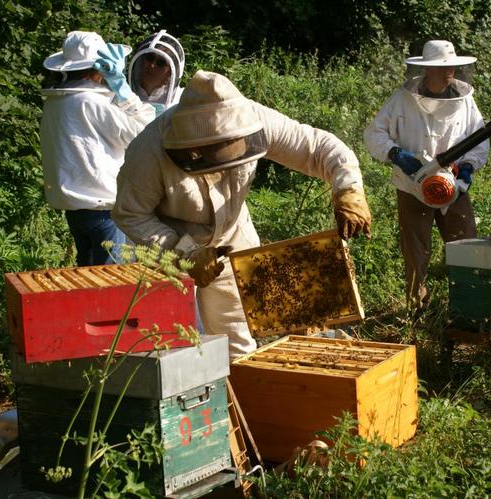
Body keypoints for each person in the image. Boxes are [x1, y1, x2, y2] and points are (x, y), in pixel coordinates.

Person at [112, 70, 372, 359]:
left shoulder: (252, 118)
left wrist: (348, 189)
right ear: (193, 148)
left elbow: (319, 147)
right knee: (167, 350)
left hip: (231, 239)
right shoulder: (148, 150)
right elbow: (131, 214)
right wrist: (183, 251)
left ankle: (237, 387)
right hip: (167, 248)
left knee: (237, 343)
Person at [363, 40, 489, 310]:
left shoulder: (465, 100)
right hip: (412, 186)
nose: (450, 71)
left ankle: (468, 307)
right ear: (428, 70)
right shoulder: (402, 99)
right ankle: (417, 310)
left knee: (466, 244)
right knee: (416, 252)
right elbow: (374, 133)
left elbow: (480, 140)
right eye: (443, 67)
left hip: (454, 187)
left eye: (452, 67)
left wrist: (468, 167)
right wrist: (396, 154)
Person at [40, 31, 157, 266]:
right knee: (112, 284)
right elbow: (146, 133)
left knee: (88, 279)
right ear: (98, 68)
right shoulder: (90, 102)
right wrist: (124, 91)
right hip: (104, 212)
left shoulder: (54, 103)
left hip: (75, 212)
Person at [128, 30, 186, 110]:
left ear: (170, 72)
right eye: (149, 57)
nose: (152, 65)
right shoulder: (122, 93)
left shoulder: (183, 101)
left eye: (161, 63)